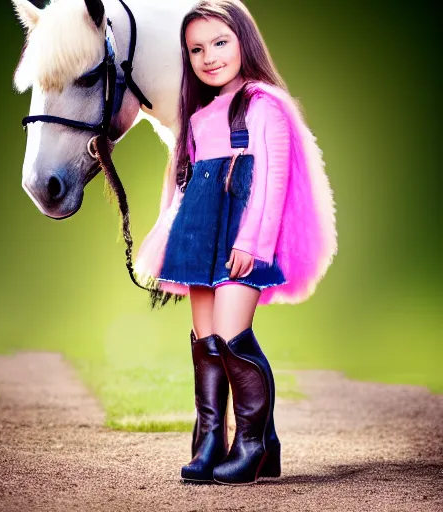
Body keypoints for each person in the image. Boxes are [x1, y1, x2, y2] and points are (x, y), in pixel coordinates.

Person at [135, 0, 337, 486]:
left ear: (245, 41)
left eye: (220, 43)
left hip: (239, 240)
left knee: (232, 337)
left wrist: (253, 241)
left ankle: (255, 443)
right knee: (206, 342)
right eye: (196, 49)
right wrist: (167, 240)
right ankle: (209, 439)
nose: (209, 57)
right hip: (196, 238)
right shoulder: (200, 115)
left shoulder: (263, 105)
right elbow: (184, 189)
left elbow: (272, 180)